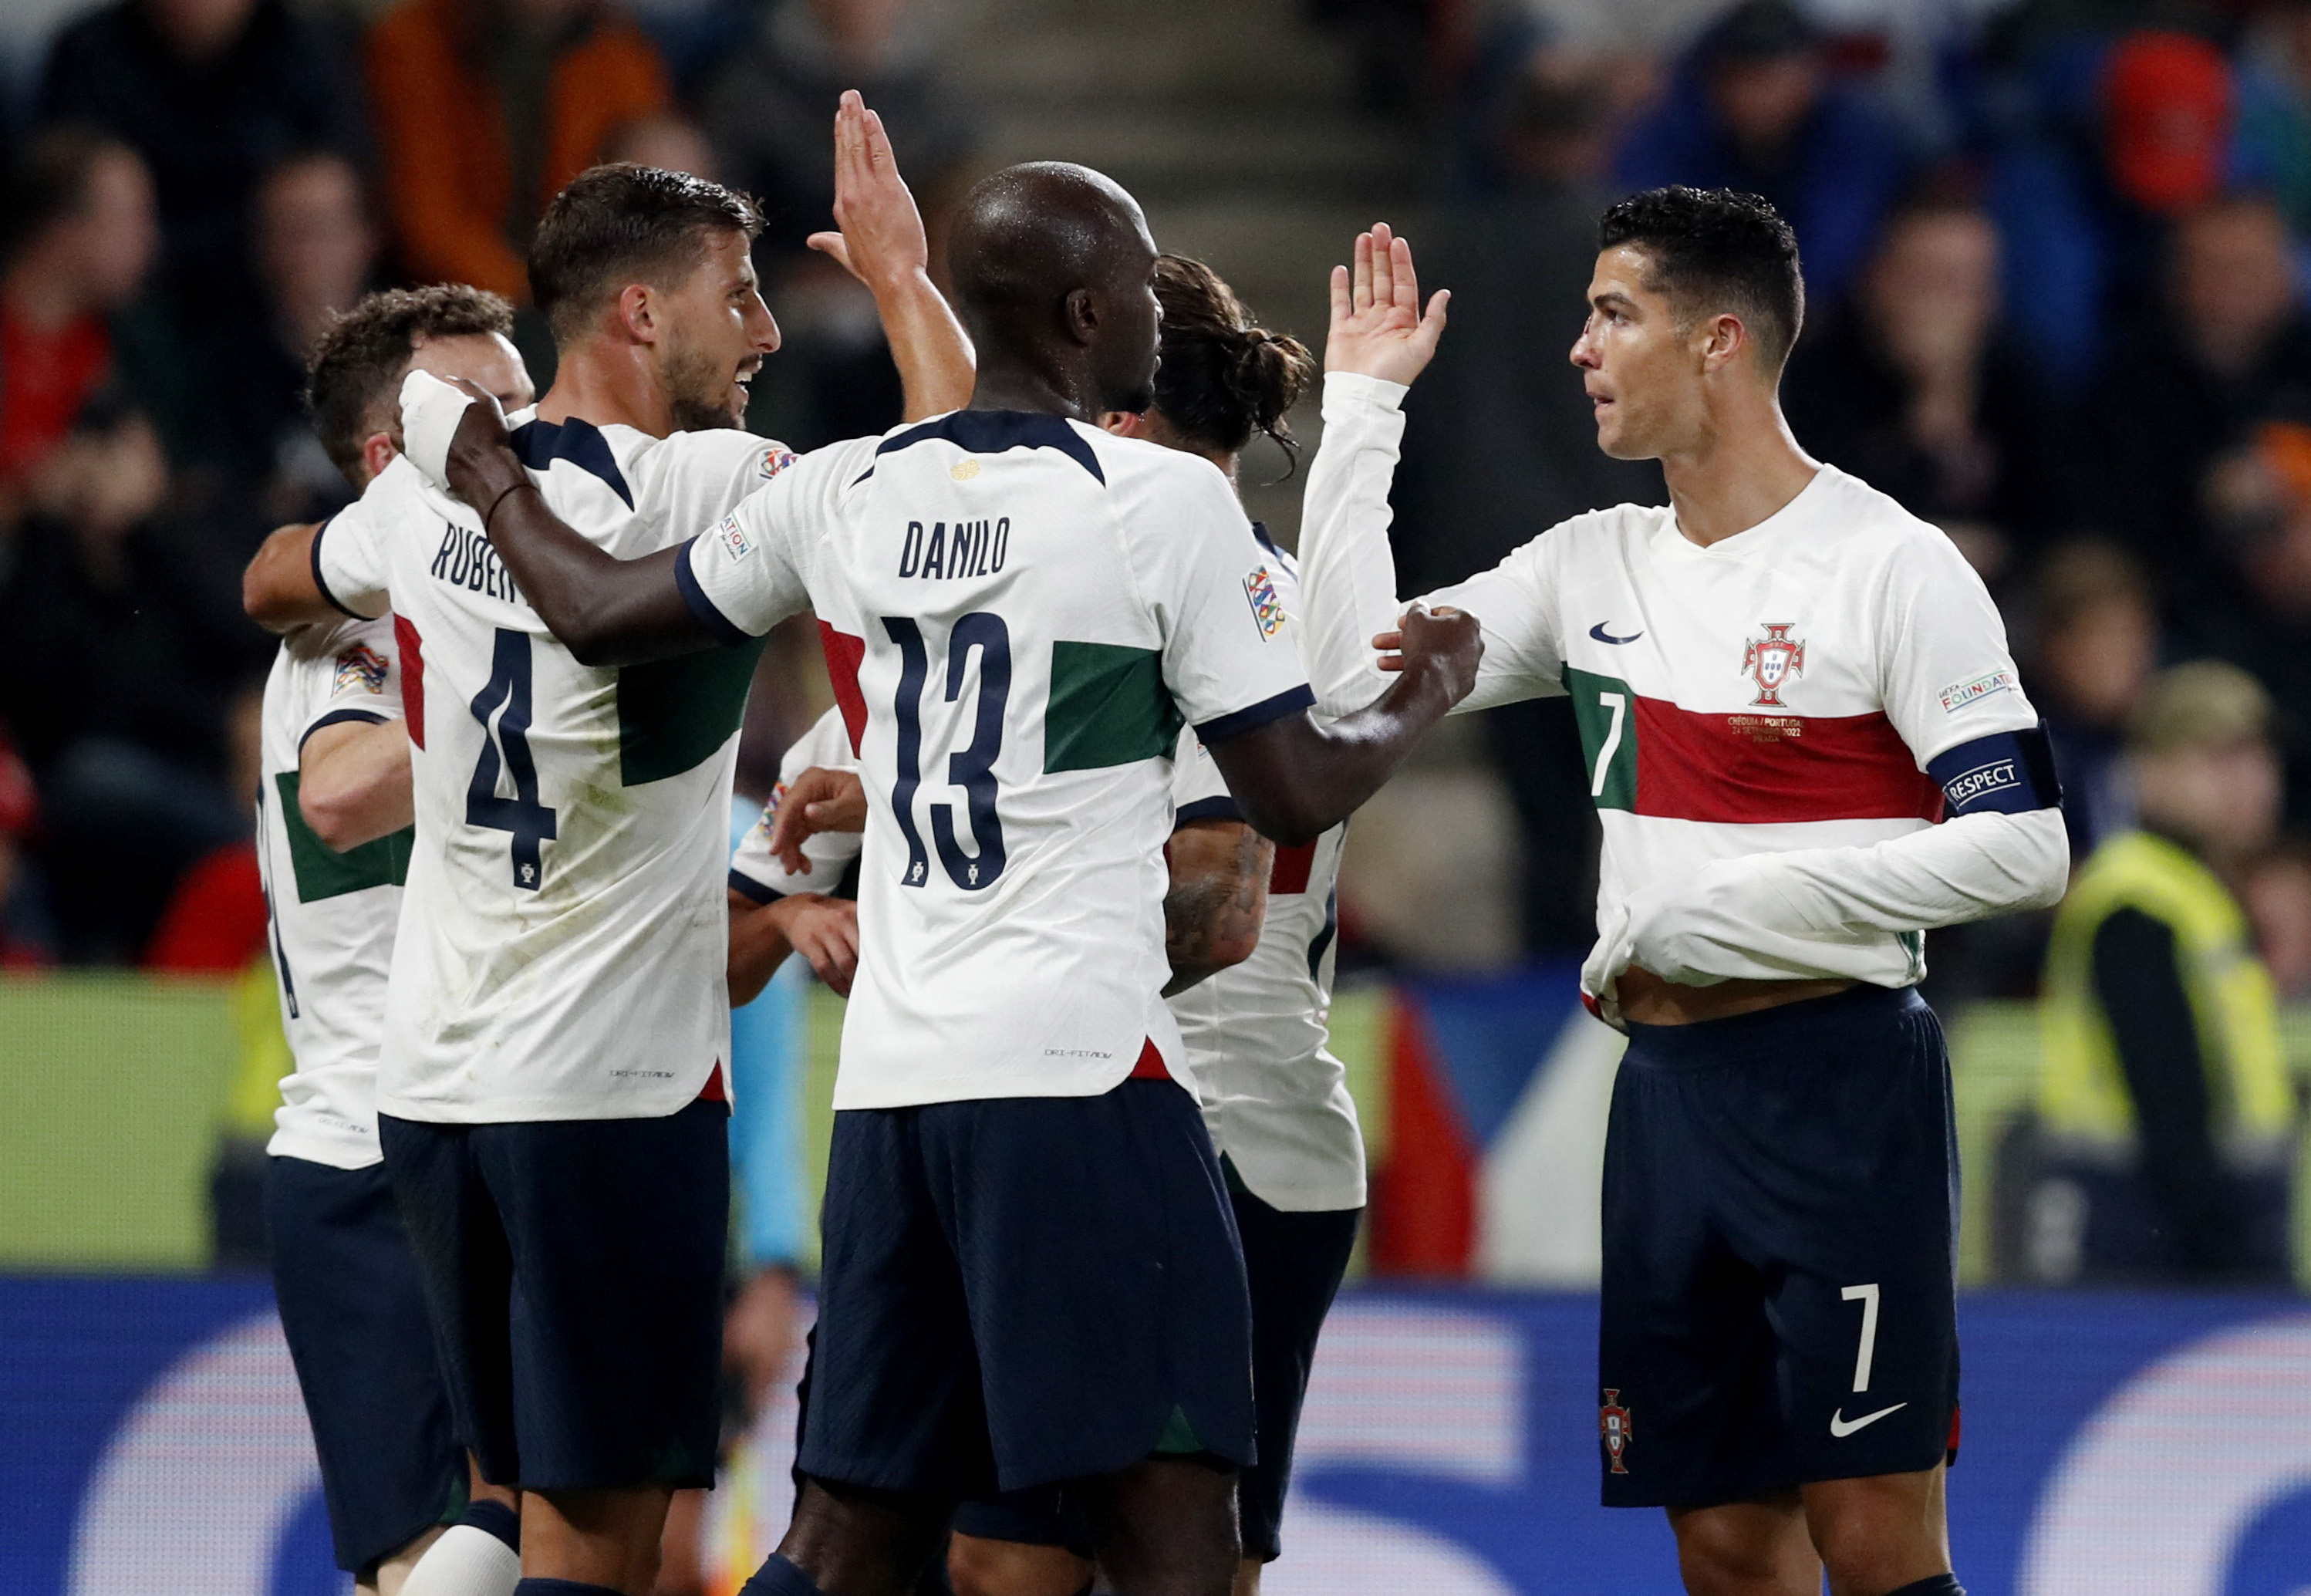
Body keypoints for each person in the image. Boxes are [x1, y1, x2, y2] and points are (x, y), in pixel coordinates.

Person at [403, 158, 1482, 1596]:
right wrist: (1426, 690)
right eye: (1136, 279)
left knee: (848, 1537)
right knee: (1177, 1534)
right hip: (1086, 1077)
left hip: (895, 1096)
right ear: (1087, 314)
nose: (1151, 308)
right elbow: (1290, 786)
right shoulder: (1162, 504)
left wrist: (485, 468)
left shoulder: (848, 487)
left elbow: (597, 609)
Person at [242, 103, 975, 1596]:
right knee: (604, 1546)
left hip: (434, 1088)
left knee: (502, 1509)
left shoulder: (425, 491)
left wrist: (385, 597)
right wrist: (902, 278)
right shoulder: (718, 490)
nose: (766, 329)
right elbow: (963, 473)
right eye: (738, 296)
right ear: (641, 312)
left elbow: (269, 576)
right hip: (609, 1090)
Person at [1293, 197, 2066, 1596]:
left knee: (1874, 1537)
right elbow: (1347, 683)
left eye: (1614, 314)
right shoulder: (1586, 566)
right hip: (1663, 1098)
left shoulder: (1891, 564)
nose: (1580, 348)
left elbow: (2023, 848)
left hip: (1840, 1084)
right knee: (1721, 1541)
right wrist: (1360, 412)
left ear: (1717, 340)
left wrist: (1743, 910)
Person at [744, 256, 1366, 1596]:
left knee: (1113, 1550)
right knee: (1026, 1554)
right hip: (1086, 1104)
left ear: (1116, 419)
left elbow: (1214, 903)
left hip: (1200, 1126)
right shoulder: (1103, 579)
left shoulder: (1186, 570)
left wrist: (954, 934)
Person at [251, 283, 536, 1596]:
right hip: (376, 1149)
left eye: (527, 397)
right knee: (456, 1547)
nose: (529, 429)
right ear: (391, 456)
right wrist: (519, 708)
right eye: (491, 406)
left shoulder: (470, 609)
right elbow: (338, 791)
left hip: (467, 1129)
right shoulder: (359, 625)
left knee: (533, 1531)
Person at [2029, 662, 2297, 1287]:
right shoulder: (2136, 901)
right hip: (2144, 1236)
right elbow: (2169, 1102)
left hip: (2178, 1230)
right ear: (2147, 770)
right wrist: (2230, 1258)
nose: (2253, 781)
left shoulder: (2193, 893)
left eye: (2259, 756)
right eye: (2219, 758)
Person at [1779, 195, 2063, 587]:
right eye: (1925, 281)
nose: (1941, 305)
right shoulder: (1810, 378)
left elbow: (2057, 524)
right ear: (1875, 281)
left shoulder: (2019, 381)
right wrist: (1928, 400)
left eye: (1963, 284)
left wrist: (1950, 395)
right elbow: (1812, 524)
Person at [37, 0, 370, 320]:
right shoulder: (89, 53)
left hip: (276, 293)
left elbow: (349, 180)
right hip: (135, 298)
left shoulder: (312, 47)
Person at [366, 0, 670, 302]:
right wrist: (531, 293)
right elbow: (426, 218)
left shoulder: (617, 51)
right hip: (453, 297)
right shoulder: (417, 42)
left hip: (579, 292)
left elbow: (639, 204)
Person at [0, 128, 164, 511]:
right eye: (132, 218)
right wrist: (33, 491)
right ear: (63, 229)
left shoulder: (124, 346)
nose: (149, 240)